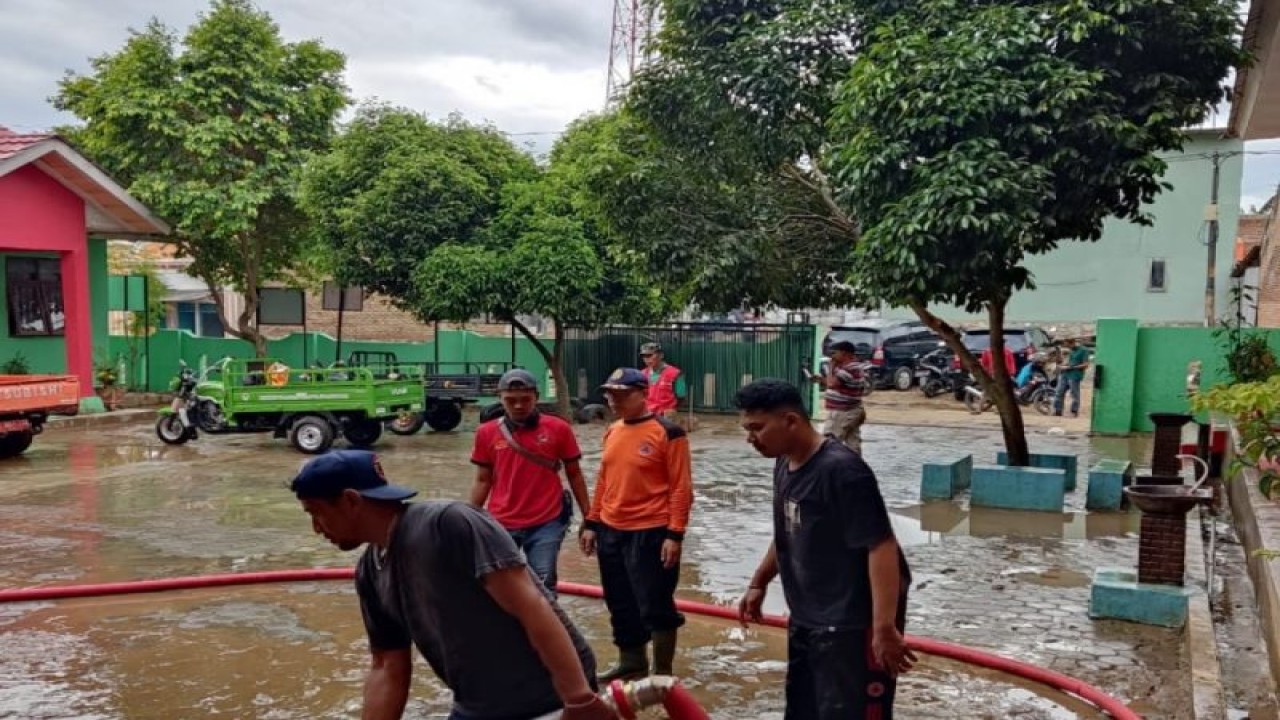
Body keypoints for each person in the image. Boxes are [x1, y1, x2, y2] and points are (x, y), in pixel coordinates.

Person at [289, 450, 615, 720]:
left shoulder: (450, 523)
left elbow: (531, 606)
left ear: (350, 501)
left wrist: (579, 698)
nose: (316, 528)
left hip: (546, 693)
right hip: (477, 704)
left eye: (316, 513)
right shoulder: (370, 573)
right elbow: (387, 666)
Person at [734, 379, 915, 720]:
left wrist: (883, 628)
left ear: (791, 421)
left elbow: (881, 546)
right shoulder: (784, 462)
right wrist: (759, 580)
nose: (750, 438)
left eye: (757, 428)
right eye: (747, 429)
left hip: (852, 623)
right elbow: (788, 529)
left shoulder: (843, 471)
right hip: (808, 617)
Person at [579, 367, 694, 682]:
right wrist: (592, 522)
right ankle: (632, 662)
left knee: (655, 603)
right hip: (611, 530)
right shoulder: (613, 430)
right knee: (620, 601)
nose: (613, 401)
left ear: (643, 394)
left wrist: (675, 534)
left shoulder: (669, 432)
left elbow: (681, 488)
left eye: (621, 394)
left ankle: (662, 673)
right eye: (610, 395)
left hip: (652, 532)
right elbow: (605, 480)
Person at [470, 369, 590, 595]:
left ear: (536, 396)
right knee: (497, 586)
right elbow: (482, 480)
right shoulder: (486, 433)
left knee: (544, 584)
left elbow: (575, 474)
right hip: (501, 521)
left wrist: (590, 518)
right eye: (510, 400)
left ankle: (547, 630)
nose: (518, 406)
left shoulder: (558, 428)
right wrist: (469, 519)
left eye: (525, 399)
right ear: (499, 398)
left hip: (548, 520)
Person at [811, 340, 867, 454]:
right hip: (852, 410)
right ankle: (855, 468)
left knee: (829, 443)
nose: (833, 356)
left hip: (844, 411)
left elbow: (832, 383)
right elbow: (836, 383)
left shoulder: (850, 368)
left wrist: (831, 367)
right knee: (853, 444)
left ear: (844, 353)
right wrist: (821, 380)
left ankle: (828, 468)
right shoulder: (848, 367)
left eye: (835, 353)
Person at [639, 343, 686, 419]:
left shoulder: (676, 373)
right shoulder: (641, 374)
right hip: (647, 415)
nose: (647, 359)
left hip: (666, 417)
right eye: (644, 356)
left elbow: (681, 395)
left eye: (650, 355)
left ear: (661, 355)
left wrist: (673, 409)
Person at [1054, 338, 1091, 418]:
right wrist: (1063, 366)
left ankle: (1074, 411)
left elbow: (1086, 364)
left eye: (1068, 345)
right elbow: (1069, 362)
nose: (1067, 347)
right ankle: (1058, 411)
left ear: (1073, 343)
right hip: (1065, 374)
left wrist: (1071, 367)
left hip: (1074, 375)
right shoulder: (1071, 351)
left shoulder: (1083, 350)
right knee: (1059, 392)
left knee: (1074, 394)